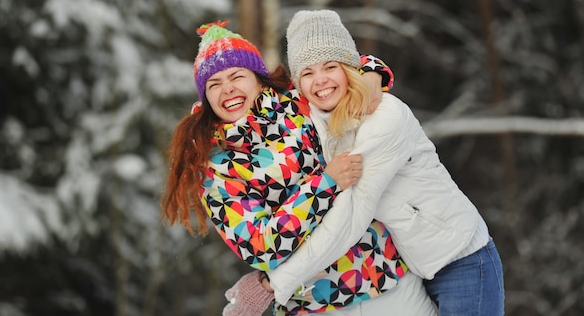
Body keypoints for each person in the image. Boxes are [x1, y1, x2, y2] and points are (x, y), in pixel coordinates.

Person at [160, 21, 437, 315]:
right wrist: (324, 185)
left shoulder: (295, 102)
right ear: (205, 99)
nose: (227, 89)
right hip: (316, 303)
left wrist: (370, 74)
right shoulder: (216, 167)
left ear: (257, 77)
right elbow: (260, 246)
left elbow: (335, 69)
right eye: (214, 84)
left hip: (388, 274)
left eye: (236, 76)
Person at [265, 9, 505, 315]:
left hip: (463, 261)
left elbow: (352, 213)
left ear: (349, 67)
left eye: (330, 66)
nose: (320, 80)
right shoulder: (317, 121)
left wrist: (276, 284)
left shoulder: (386, 117)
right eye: (308, 72)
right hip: (415, 266)